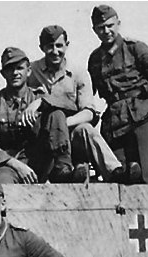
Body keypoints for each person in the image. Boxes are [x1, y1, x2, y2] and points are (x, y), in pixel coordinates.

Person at [26, 25, 128, 183]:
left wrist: (62, 124)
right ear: (42, 48)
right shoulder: (31, 71)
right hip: (41, 136)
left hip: (70, 134)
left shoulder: (78, 73)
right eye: (50, 46)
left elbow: (89, 112)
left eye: (59, 46)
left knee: (86, 129)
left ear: (67, 45)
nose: (55, 51)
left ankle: (115, 171)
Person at [87, 4, 148, 184]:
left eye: (110, 26)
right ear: (94, 30)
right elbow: (90, 91)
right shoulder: (95, 59)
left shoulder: (135, 48)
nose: (106, 31)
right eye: (101, 28)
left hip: (142, 117)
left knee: (145, 177)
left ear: (118, 24)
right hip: (114, 122)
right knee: (118, 175)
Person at [0, 47, 79, 185]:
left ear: (29, 71)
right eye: (10, 69)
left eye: (20, 68)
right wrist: (16, 165)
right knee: (3, 183)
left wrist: (41, 102)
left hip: (39, 162)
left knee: (56, 113)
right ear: (3, 73)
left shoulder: (39, 97)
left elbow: (71, 106)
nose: (15, 73)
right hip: (10, 165)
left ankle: (63, 169)